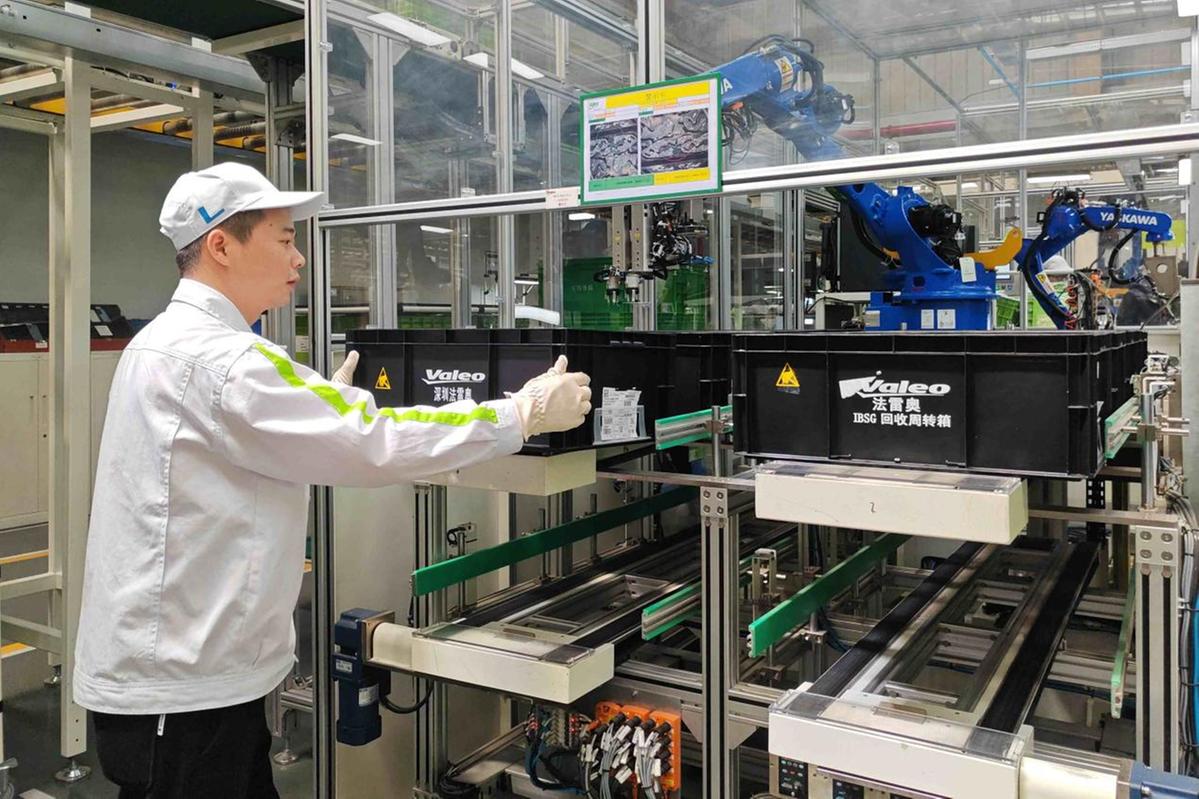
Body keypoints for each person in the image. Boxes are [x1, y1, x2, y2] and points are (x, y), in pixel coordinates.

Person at [73, 162, 592, 798]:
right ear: (221, 246)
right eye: (284, 238)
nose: (298, 258)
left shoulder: (164, 343)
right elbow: (373, 441)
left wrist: (315, 409)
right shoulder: (225, 360)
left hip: (181, 677)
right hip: (182, 691)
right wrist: (521, 414)